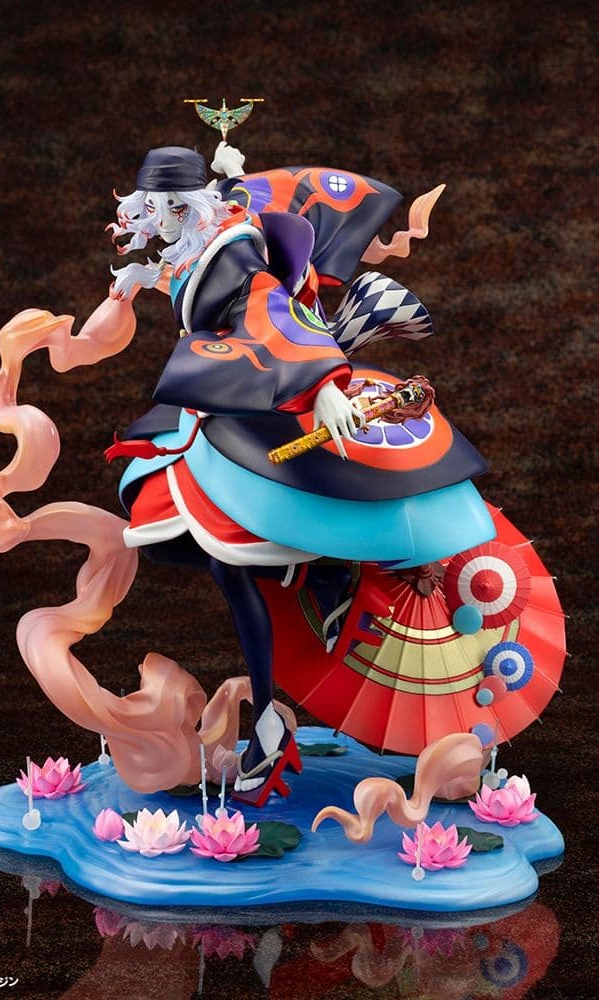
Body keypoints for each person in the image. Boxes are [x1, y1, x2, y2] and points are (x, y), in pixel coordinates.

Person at [104, 142, 492, 806]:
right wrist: (146, 276)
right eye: (154, 208)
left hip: (270, 396)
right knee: (189, 540)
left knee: (230, 556)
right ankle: (312, 591)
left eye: (174, 207)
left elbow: (269, 310)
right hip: (225, 404)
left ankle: (270, 710)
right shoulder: (199, 244)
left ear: (193, 204)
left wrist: (324, 385)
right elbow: (194, 285)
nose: (163, 220)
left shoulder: (232, 251)